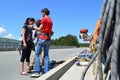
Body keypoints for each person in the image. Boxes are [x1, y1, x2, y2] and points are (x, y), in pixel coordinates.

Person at [30, 8, 53, 77]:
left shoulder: (44, 19)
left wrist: (33, 27)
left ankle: (37, 71)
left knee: (37, 54)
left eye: (42, 13)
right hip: (48, 39)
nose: (41, 14)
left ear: (44, 12)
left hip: (42, 38)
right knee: (46, 55)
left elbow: (39, 29)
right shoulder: (50, 20)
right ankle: (46, 71)